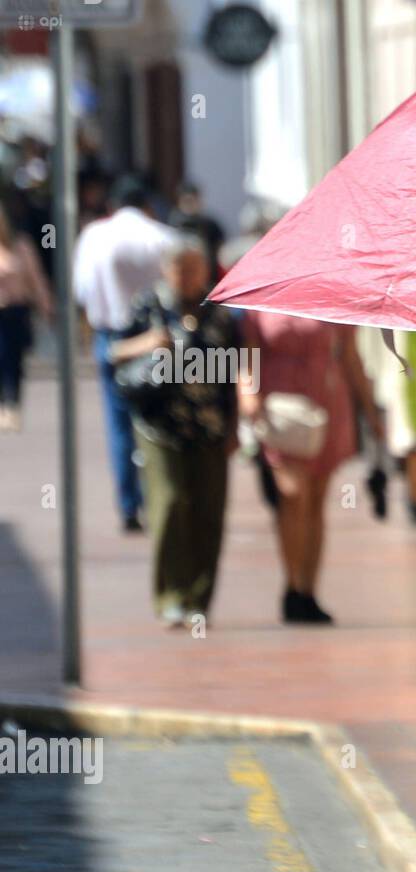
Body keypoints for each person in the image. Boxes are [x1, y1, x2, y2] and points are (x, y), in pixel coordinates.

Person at [108, 235, 239, 627]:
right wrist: (148, 342)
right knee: (170, 506)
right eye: (180, 268)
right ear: (166, 270)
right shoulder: (148, 306)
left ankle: (199, 600)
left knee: (209, 512)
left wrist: (234, 425)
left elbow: (233, 371)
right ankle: (170, 597)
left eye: (195, 268)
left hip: (210, 427)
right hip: (159, 425)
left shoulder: (218, 312)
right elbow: (112, 351)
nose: (187, 276)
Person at [237, 310, 384, 624]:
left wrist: (371, 412)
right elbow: (248, 359)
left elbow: (350, 357)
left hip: (328, 403)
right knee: (293, 495)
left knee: (316, 501)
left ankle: (308, 590)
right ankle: (291, 585)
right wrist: (248, 394)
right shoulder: (259, 307)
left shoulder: (332, 303)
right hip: (282, 410)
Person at [73, 175, 180, 532]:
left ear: (112, 205)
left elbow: (82, 289)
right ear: (146, 205)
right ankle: (157, 496)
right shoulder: (163, 236)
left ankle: (129, 504)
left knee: (118, 423)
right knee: (156, 417)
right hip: (156, 337)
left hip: (112, 338)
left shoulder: (94, 236)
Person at [0, 203, 53, 431]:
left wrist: (46, 306)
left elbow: (36, 279)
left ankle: (12, 407)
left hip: (15, 313)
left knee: (12, 362)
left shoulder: (21, 246)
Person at [169, 180, 226, 280]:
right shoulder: (173, 222)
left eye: (193, 199)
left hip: (207, 276)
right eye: (186, 200)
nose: (190, 204)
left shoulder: (210, 224)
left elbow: (219, 250)